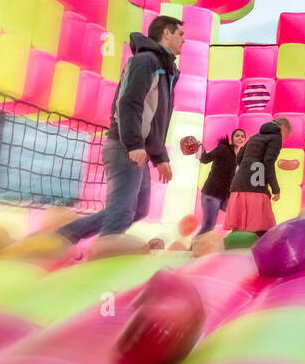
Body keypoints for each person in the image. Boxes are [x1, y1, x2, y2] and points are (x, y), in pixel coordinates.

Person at [58, 16, 183, 243]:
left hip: (139, 150)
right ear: (166, 33)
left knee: (137, 210)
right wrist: (134, 144)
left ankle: (63, 237)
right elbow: (129, 103)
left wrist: (160, 157)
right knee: (122, 213)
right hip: (124, 147)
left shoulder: (166, 70)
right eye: (181, 34)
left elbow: (155, 120)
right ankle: (99, 266)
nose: (184, 40)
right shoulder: (146, 61)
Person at [222, 117, 292, 235]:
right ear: (282, 128)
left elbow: (239, 158)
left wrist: (247, 169)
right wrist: (276, 189)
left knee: (240, 229)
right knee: (262, 230)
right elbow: (268, 162)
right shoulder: (276, 138)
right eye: (287, 134)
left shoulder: (255, 137)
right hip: (255, 189)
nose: (285, 138)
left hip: (238, 185)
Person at [194, 128, 246, 235]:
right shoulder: (223, 149)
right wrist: (199, 150)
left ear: (244, 140)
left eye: (242, 136)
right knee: (208, 226)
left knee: (239, 217)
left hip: (225, 196)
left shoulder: (241, 156)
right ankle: (193, 249)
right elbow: (204, 159)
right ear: (232, 139)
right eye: (237, 136)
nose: (240, 138)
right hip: (212, 194)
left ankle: (235, 242)